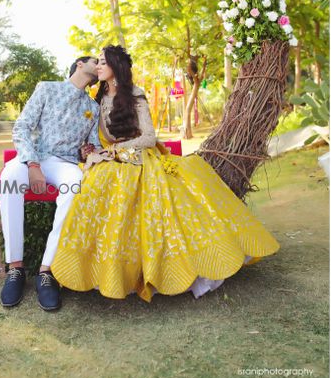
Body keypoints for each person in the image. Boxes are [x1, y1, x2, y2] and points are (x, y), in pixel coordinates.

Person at [50, 45, 280, 304]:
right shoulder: (98, 98)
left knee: (158, 197)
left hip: (139, 157)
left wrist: (116, 150)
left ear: (116, 67)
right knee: (96, 183)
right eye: (98, 63)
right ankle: (99, 270)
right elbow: (96, 137)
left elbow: (148, 138)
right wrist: (91, 150)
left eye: (103, 62)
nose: (99, 67)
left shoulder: (135, 94)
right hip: (112, 161)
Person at [0, 55, 100, 311]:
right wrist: (32, 165)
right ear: (79, 64)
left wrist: (87, 152)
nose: (99, 65)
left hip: (64, 164)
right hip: (34, 158)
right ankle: (15, 269)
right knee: (9, 179)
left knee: (76, 183)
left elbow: (93, 147)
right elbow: (21, 127)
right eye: (95, 60)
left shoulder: (93, 107)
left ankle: (47, 271)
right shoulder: (47, 88)